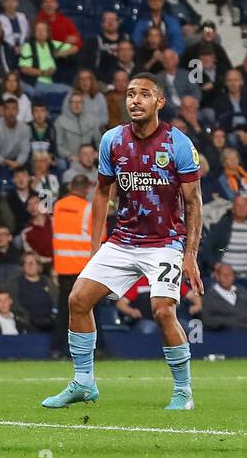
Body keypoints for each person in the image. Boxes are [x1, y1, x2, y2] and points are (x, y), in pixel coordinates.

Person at [42, 73, 202, 412]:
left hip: (165, 242)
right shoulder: (112, 141)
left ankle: (184, 392)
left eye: (144, 94)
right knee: (78, 299)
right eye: (131, 94)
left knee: (162, 310)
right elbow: (102, 193)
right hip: (123, 239)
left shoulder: (178, 143)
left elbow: (194, 203)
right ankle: (84, 382)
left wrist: (190, 255)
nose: (135, 100)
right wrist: (94, 245)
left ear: (160, 102)